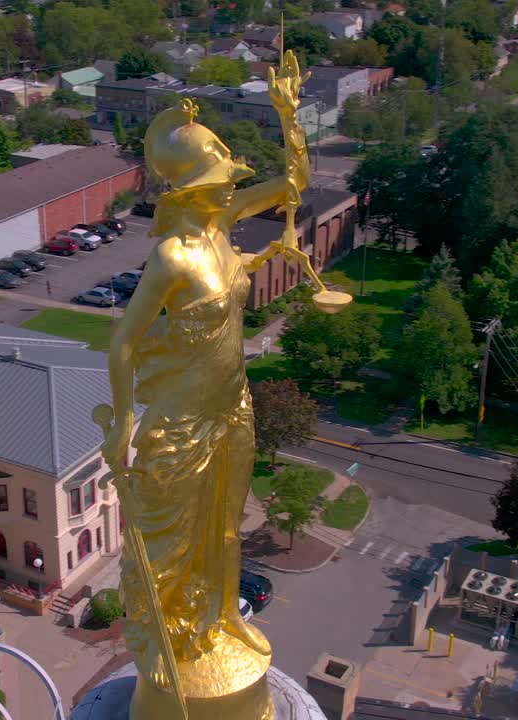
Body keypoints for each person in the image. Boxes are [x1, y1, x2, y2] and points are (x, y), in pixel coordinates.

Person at [98, 50, 310, 707]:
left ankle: (219, 623)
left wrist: (288, 113)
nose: (230, 188)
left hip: (232, 406)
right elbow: (122, 341)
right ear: (191, 192)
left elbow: (295, 182)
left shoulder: (223, 228)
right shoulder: (172, 256)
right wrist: (125, 422)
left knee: (224, 523)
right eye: (219, 182)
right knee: (171, 542)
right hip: (183, 419)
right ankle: (176, 643)